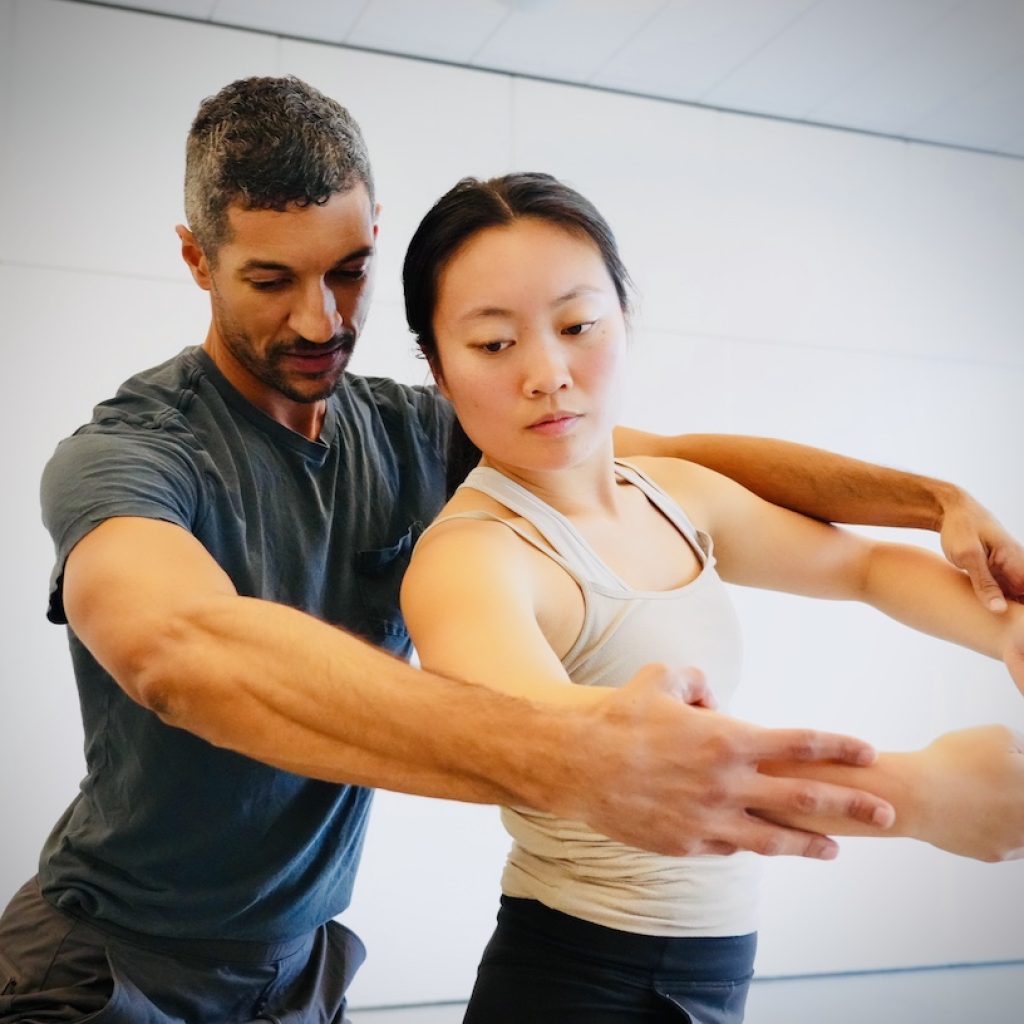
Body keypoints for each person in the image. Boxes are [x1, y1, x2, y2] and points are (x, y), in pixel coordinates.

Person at [0, 76, 1021, 1023]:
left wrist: (933, 501)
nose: (320, 318)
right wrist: (578, 758)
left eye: (349, 271)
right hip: (111, 959)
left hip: (299, 964)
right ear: (197, 259)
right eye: (271, 278)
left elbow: (661, 458)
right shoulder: (130, 452)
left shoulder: (408, 429)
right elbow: (176, 649)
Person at [397, 171, 1024, 1024]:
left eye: (578, 325)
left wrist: (1009, 631)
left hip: (710, 969)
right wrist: (920, 796)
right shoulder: (472, 561)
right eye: (494, 344)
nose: (549, 374)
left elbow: (865, 568)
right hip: (579, 980)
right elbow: (590, 757)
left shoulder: (673, 493)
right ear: (436, 368)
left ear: (624, 319)